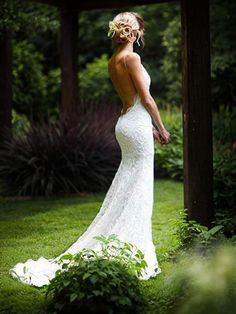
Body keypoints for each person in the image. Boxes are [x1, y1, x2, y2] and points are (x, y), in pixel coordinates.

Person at [9, 12, 170, 288]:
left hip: (126, 123)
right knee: (139, 186)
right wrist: (162, 128)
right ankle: (134, 248)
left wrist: (148, 128)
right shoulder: (132, 58)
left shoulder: (113, 61)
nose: (134, 34)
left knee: (129, 182)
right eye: (134, 30)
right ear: (135, 33)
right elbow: (146, 98)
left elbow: (130, 101)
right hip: (136, 124)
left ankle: (121, 238)